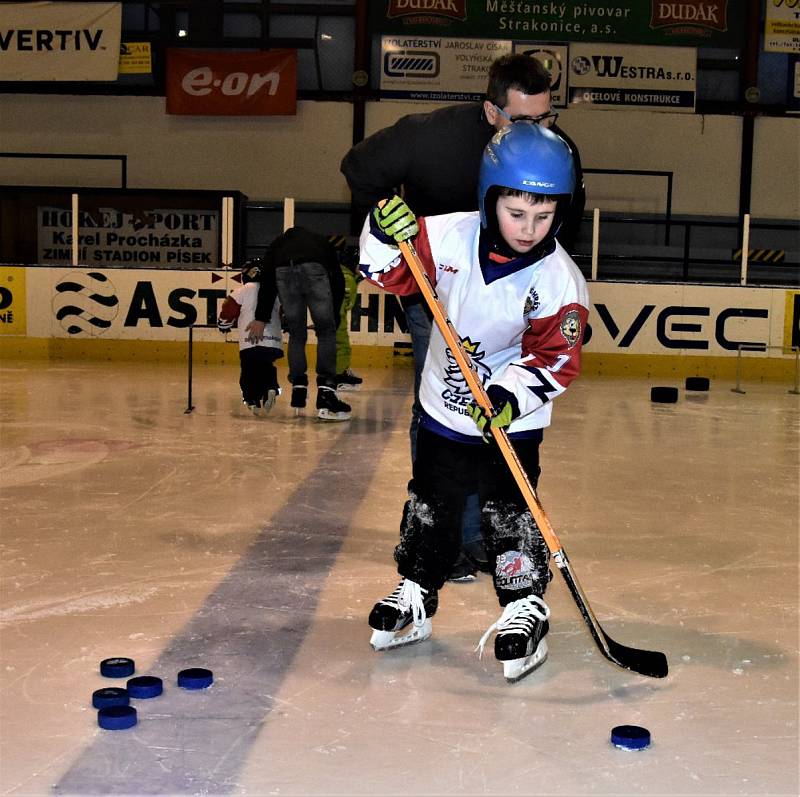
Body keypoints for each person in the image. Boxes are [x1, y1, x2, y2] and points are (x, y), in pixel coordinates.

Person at [359, 123, 589, 682]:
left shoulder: (560, 281)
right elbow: (383, 272)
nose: (530, 228)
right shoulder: (445, 237)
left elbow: (555, 357)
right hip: (444, 403)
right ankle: (417, 589)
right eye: (517, 213)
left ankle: (523, 603)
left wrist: (510, 397)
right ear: (490, 199)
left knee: (508, 505)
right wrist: (383, 233)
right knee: (432, 499)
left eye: (544, 216)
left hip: (513, 418)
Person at [341, 53, 585, 580]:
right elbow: (359, 168)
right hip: (439, 281)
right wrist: (386, 222)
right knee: (448, 395)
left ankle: (484, 536)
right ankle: (445, 529)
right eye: (524, 120)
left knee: (499, 403)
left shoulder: (553, 153)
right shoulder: (430, 135)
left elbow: (565, 223)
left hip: (513, 288)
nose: (538, 130)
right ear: (491, 110)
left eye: (546, 119)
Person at [247, 226, 350, 421]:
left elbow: (267, 280)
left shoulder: (278, 244)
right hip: (315, 269)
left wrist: (261, 317)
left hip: (284, 272)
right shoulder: (319, 241)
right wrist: (335, 314)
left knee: (296, 333)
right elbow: (337, 278)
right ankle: (326, 392)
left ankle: (298, 386)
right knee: (326, 332)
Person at [217, 257, 283, 416]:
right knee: (267, 365)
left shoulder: (243, 290)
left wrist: (223, 324)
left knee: (249, 369)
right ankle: (271, 387)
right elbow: (283, 312)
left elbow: (229, 309)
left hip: (250, 340)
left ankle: (251, 399)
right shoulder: (273, 290)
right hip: (273, 340)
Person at [329, 234, 364, 391]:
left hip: (335, 315)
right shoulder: (346, 277)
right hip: (337, 316)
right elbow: (346, 301)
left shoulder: (346, 274)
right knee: (342, 345)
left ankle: (341, 372)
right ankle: (339, 376)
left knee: (340, 345)